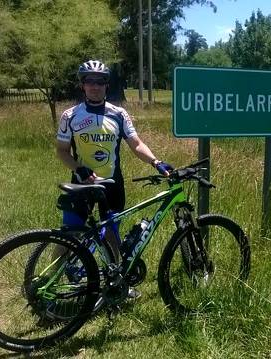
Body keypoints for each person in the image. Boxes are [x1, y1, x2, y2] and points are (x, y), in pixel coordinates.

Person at [56, 60, 173, 297]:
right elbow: (61, 151)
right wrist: (79, 168)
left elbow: (136, 144)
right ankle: (51, 282)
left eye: (99, 81)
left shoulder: (119, 114)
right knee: (68, 235)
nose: (95, 86)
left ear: (106, 85)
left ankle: (117, 283)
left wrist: (156, 162)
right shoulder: (70, 116)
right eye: (90, 81)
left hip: (112, 184)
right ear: (83, 85)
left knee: (111, 233)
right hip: (82, 184)